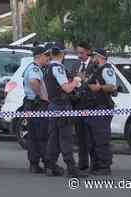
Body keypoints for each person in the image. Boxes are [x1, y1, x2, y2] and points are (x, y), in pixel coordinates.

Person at [45, 45, 88, 178]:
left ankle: (50, 165)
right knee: (66, 137)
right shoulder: (58, 67)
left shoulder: (48, 68)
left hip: (53, 105)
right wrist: (77, 80)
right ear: (62, 54)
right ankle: (71, 168)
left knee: (54, 138)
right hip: (62, 106)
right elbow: (67, 89)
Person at [85, 48, 117, 175]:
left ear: (100, 57)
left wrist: (99, 87)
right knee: (92, 140)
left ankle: (104, 166)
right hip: (93, 108)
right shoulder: (96, 70)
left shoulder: (107, 69)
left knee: (101, 139)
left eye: (94, 57)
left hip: (102, 108)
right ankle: (95, 165)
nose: (92, 59)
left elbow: (112, 87)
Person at [22, 46, 51, 173]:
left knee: (33, 136)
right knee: (42, 135)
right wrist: (42, 97)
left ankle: (34, 164)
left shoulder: (31, 67)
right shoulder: (35, 68)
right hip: (37, 104)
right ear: (39, 56)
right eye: (46, 55)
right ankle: (46, 163)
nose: (48, 58)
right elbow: (34, 82)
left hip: (30, 103)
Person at [71, 41, 95, 171]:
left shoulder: (94, 65)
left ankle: (94, 164)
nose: (79, 55)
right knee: (80, 136)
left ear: (88, 51)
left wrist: (85, 79)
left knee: (92, 136)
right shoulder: (75, 65)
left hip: (92, 105)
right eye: (78, 52)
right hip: (78, 104)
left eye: (82, 53)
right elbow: (71, 80)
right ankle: (82, 163)